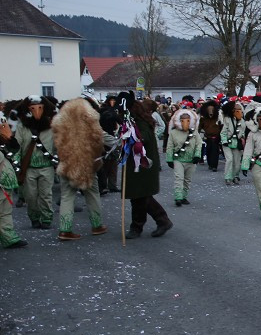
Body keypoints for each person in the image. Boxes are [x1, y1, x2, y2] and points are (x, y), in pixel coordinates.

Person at [52, 96, 109, 240]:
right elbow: (100, 136)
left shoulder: (61, 121)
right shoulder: (89, 119)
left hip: (67, 163)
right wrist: (120, 142)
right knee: (92, 194)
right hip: (86, 165)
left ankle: (65, 230)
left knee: (67, 197)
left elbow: (54, 143)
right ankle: (97, 225)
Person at [119, 93, 173, 238]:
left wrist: (130, 137)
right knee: (139, 197)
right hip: (137, 164)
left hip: (142, 164)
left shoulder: (139, 122)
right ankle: (140, 226)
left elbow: (144, 138)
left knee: (141, 197)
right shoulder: (134, 121)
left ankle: (156, 222)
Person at [14, 96, 58, 229]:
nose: (36, 111)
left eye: (40, 107)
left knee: (46, 195)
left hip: (46, 166)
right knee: (31, 196)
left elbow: (58, 145)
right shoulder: (22, 127)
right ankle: (34, 217)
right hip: (29, 168)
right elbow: (17, 145)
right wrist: (15, 162)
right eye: (33, 107)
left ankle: (46, 218)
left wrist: (59, 158)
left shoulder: (51, 126)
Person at [165, 107, 203, 207]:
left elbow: (199, 144)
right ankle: (178, 197)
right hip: (178, 159)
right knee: (179, 178)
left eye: (187, 120)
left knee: (187, 179)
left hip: (191, 160)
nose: (185, 123)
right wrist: (169, 159)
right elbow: (170, 146)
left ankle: (184, 196)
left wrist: (197, 155)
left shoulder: (194, 132)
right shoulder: (173, 133)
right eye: (182, 120)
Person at [0, 117, 27, 248]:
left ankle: (9, 238)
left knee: (5, 212)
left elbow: (13, 150)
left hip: (5, 182)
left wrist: (9, 138)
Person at [219, 99, 245, 185]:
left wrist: (242, 138)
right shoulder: (227, 119)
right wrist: (224, 141)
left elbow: (243, 132)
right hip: (227, 142)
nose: (239, 112)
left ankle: (235, 176)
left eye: (240, 110)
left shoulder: (243, 121)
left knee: (237, 161)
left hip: (237, 143)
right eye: (236, 110)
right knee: (229, 159)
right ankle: (228, 177)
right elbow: (223, 132)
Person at [199, 99, 222, 172]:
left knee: (215, 152)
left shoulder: (218, 117)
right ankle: (210, 164)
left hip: (216, 137)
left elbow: (221, 126)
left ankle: (214, 166)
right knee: (208, 151)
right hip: (207, 137)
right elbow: (200, 127)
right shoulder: (203, 119)